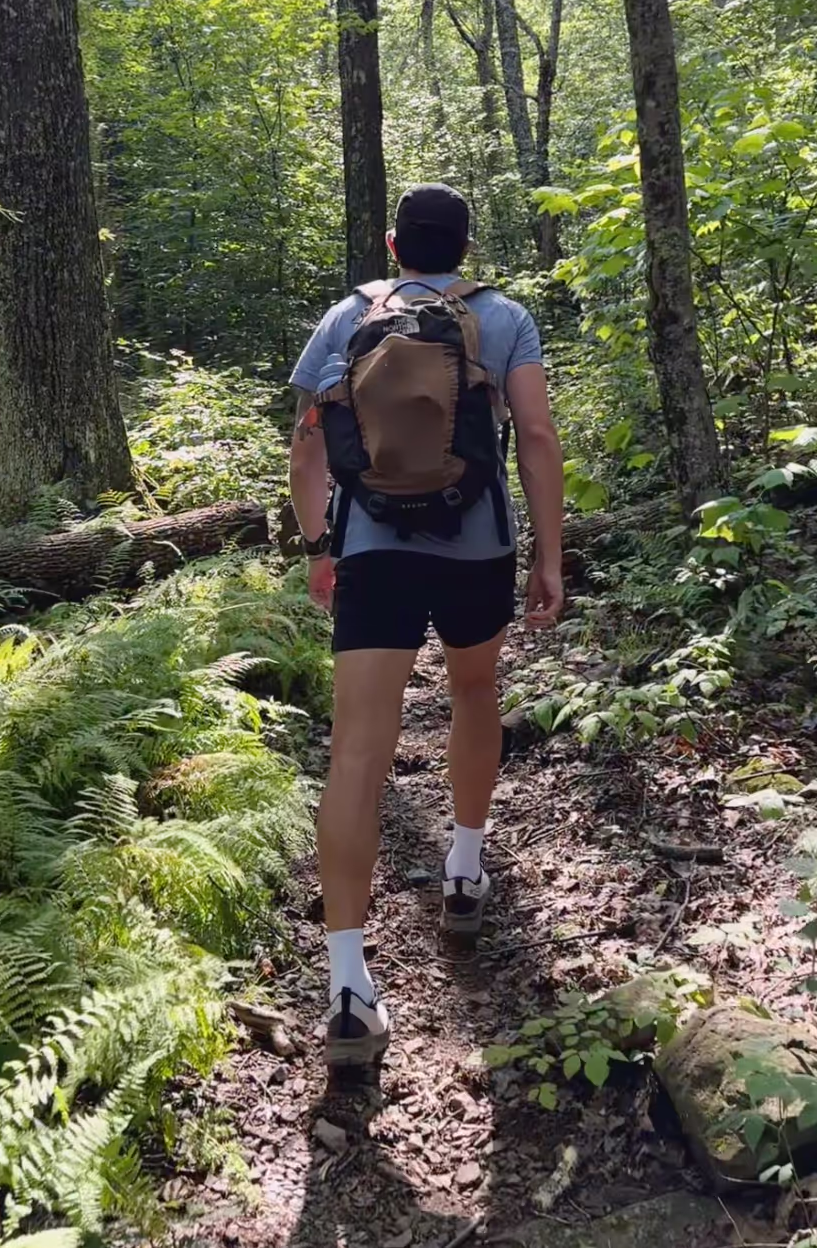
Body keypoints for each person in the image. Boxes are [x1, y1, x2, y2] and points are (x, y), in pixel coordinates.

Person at [290, 183, 564, 1071]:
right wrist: (548, 558)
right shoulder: (503, 318)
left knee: (358, 753)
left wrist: (315, 547)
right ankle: (463, 865)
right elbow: (535, 435)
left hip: (371, 549)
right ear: (466, 246)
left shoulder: (346, 316)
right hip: (475, 542)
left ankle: (345, 987)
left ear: (392, 240)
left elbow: (305, 441)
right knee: (475, 691)